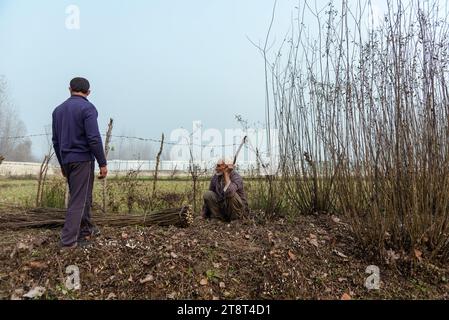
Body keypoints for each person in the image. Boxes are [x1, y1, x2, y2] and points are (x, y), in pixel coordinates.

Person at [52, 77, 108, 249]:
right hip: (82, 159)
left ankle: (85, 230)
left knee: (84, 196)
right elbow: (93, 138)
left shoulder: (58, 111)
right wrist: (102, 162)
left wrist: (62, 163)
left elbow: (56, 140)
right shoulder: (88, 108)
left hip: (67, 160)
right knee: (78, 199)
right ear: (88, 92)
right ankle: (68, 241)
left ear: (69, 89)